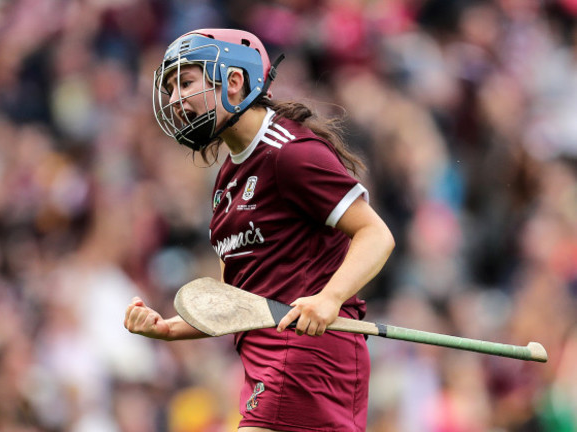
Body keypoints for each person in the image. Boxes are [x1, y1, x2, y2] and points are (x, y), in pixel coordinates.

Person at [124, 28, 395, 432]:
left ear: (234, 81)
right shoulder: (227, 180)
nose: (175, 101)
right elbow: (238, 301)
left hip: (307, 354)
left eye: (185, 82)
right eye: (169, 89)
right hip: (263, 361)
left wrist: (329, 298)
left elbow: (376, 235)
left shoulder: (290, 153)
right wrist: (169, 329)